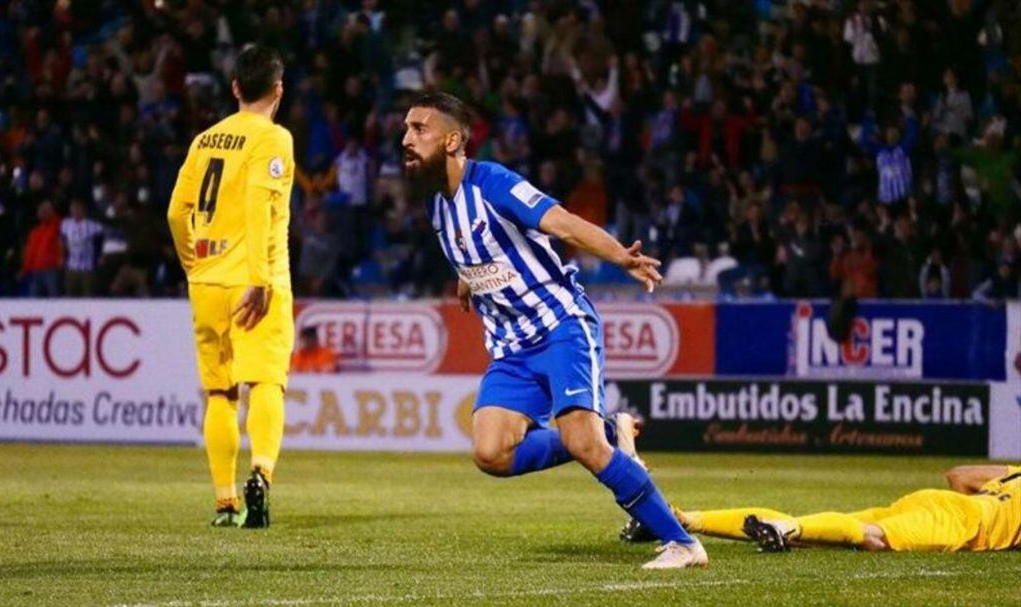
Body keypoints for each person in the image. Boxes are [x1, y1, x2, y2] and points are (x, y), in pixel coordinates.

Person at [400, 91, 707, 570]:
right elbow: (479, 245)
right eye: (406, 129)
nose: (407, 138)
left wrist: (619, 256)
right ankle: (609, 433)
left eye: (420, 129)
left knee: (584, 445)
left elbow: (560, 223)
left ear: (453, 140)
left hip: (560, 325)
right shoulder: (437, 206)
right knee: (491, 452)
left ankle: (683, 543)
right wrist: (467, 277)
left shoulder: (494, 182)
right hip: (511, 348)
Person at [167, 45, 295, 529]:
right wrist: (260, 280)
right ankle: (260, 473)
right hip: (255, 282)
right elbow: (260, 206)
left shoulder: (204, 141)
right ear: (277, 91)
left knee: (219, 394)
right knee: (265, 382)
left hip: (207, 281)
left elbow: (176, 213)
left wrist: (193, 266)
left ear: (236, 87)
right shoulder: (273, 139)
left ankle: (224, 501)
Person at [669, 464, 1019, 553]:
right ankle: (786, 531)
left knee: (821, 527)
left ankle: (688, 519)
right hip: (965, 521)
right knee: (872, 540)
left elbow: (958, 476)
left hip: (937, 501)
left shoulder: (1015, 471)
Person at [60, 198, 103, 297]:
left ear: (83, 210)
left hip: (87, 266)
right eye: (73, 208)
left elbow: (100, 242)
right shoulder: (66, 224)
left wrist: (99, 256)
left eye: (77, 208)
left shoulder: (93, 225)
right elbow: (62, 240)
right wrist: (62, 255)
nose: (75, 211)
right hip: (71, 265)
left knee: (88, 295)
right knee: (70, 294)